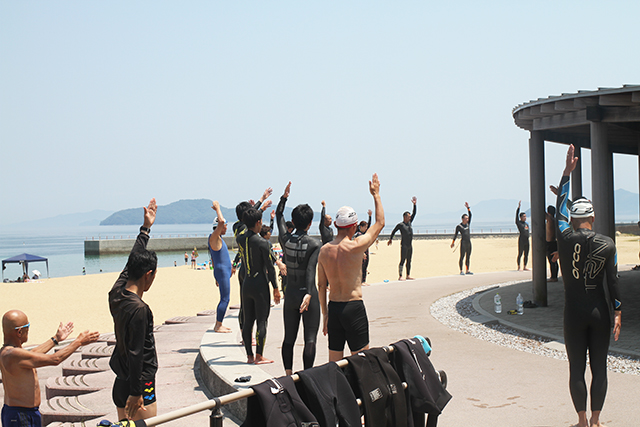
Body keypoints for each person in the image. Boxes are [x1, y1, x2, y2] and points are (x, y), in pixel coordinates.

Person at [556, 144, 621, 427]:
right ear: (593, 218)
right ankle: (596, 421)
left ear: (572, 220)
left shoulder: (564, 237)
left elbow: (559, 211)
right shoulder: (608, 244)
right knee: (600, 368)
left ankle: (581, 421)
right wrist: (618, 312)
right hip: (599, 313)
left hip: (573, 313)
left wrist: (567, 173)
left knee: (576, 369)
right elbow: (614, 281)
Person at [318, 173, 384, 362]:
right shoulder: (356, 246)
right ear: (354, 226)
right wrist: (376, 195)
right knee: (362, 361)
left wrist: (325, 315)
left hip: (334, 308)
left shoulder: (324, 251)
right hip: (353, 306)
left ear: (336, 225)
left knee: (334, 364)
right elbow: (380, 223)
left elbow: (321, 286)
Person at [108, 198, 160, 421]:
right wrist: (137, 393)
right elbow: (137, 352)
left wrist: (145, 229)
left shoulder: (116, 293)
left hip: (120, 381)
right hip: (139, 386)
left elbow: (130, 263)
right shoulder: (140, 309)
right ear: (148, 275)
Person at [0, 311, 98, 427]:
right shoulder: (13, 355)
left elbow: (34, 353)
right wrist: (78, 342)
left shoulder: (8, 352)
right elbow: (55, 359)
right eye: (28, 327)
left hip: (21, 413)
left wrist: (56, 339)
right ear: (19, 332)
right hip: (21, 415)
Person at [276, 182, 321, 375]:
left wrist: (284, 197)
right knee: (310, 339)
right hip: (307, 295)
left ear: (293, 222)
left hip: (291, 294)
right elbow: (310, 270)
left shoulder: (285, 240)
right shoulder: (315, 244)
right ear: (310, 223)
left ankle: (288, 375)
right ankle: (306, 376)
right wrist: (309, 293)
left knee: (289, 338)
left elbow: (279, 216)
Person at [236, 208, 281, 364]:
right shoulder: (263, 243)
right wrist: (275, 288)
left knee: (248, 321)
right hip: (260, 284)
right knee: (262, 321)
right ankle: (259, 356)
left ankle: (249, 356)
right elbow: (270, 268)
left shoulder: (240, 239)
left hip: (246, 283)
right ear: (258, 222)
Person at [232, 188, 273, 336]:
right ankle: (245, 333)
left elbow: (249, 218)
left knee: (245, 304)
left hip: (243, 268)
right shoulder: (243, 227)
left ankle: (245, 334)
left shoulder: (236, 227)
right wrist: (261, 204)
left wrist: (261, 200)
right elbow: (251, 219)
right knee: (247, 307)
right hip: (248, 271)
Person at [208, 201, 234, 333]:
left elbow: (214, 259)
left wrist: (216, 276)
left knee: (225, 298)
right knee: (225, 298)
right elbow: (222, 221)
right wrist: (218, 209)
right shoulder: (214, 237)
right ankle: (218, 325)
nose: (226, 228)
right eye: (225, 226)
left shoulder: (218, 238)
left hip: (222, 272)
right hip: (222, 271)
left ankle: (219, 323)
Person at [387, 197, 417, 280]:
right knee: (402, 260)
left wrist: (414, 205)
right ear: (404, 217)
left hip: (410, 245)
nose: (410, 218)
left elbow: (414, 213)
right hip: (404, 245)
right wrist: (390, 239)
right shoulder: (401, 225)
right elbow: (394, 231)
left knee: (409, 260)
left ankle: (408, 275)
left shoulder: (410, 223)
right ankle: (400, 276)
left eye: (410, 217)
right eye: (408, 217)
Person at [451, 202, 473, 275]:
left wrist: (468, 208)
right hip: (463, 243)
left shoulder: (468, 224)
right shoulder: (459, 226)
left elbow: (471, 215)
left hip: (469, 242)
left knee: (468, 256)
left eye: (468, 218)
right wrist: (453, 242)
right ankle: (461, 270)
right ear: (462, 219)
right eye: (466, 218)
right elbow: (455, 235)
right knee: (462, 257)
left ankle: (467, 270)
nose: (467, 219)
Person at [354, 210, 372, 285]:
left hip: (366, 251)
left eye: (366, 227)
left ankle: (364, 281)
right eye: (365, 227)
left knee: (365, 267)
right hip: (361, 253)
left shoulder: (365, 233)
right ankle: (360, 281)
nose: (366, 228)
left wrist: (370, 217)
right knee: (361, 267)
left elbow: (369, 226)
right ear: (361, 227)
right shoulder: (358, 234)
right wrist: (361, 253)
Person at [545, 205, 559, 281]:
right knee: (554, 261)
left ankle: (553, 277)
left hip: (550, 243)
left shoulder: (550, 219)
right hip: (554, 242)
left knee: (552, 261)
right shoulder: (555, 220)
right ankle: (554, 276)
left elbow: (544, 214)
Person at [515, 200, 530, 271]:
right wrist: (518, 208)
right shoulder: (519, 223)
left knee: (526, 254)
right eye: (524, 216)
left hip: (527, 240)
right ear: (521, 217)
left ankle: (525, 266)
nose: (525, 217)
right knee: (520, 254)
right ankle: (519, 266)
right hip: (521, 240)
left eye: (525, 216)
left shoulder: (526, 224)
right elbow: (516, 217)